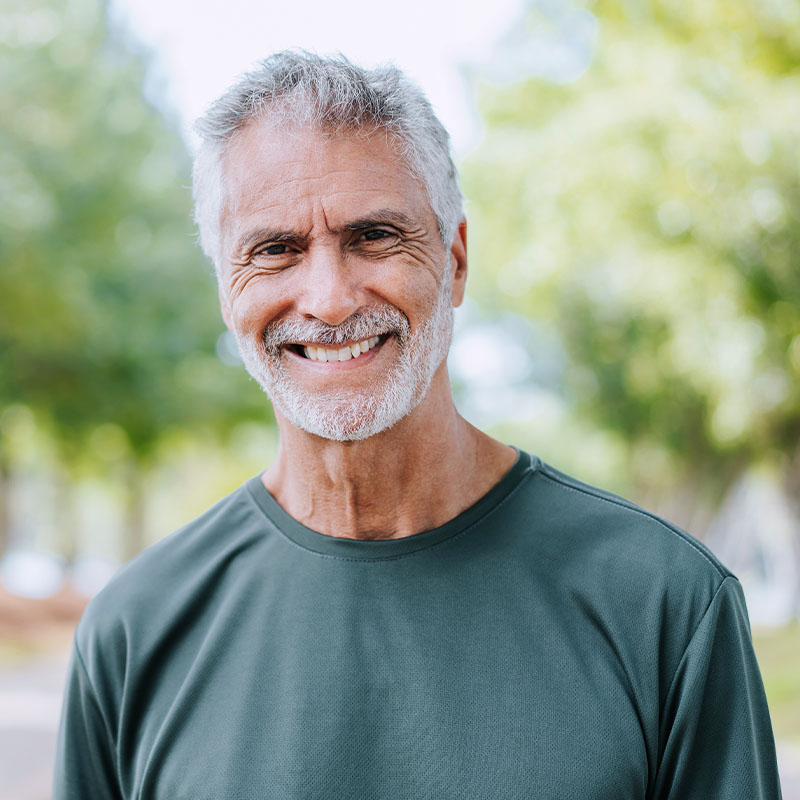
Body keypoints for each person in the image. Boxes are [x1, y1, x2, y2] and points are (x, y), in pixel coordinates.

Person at [54, 51, 782, 799]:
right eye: (276, 250)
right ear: (225, 290)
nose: (330, 299)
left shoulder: (663, 605)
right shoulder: (135, 632)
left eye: (373, 236)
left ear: (456, 260)